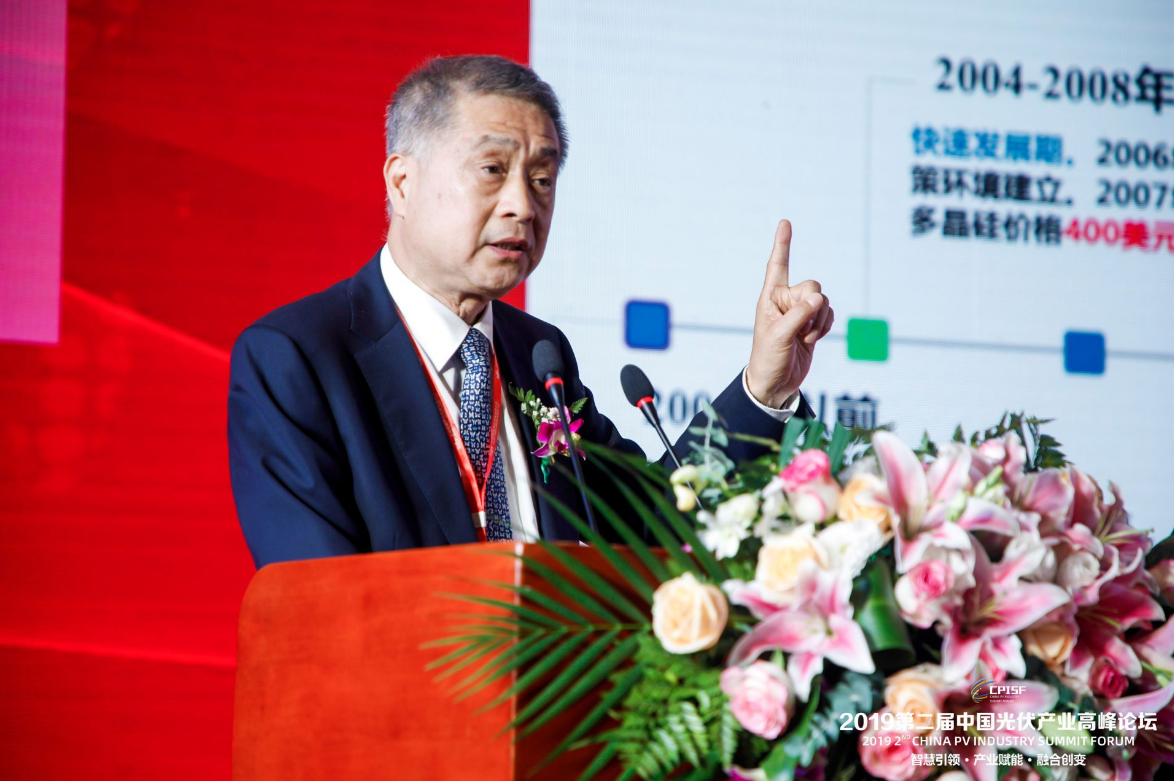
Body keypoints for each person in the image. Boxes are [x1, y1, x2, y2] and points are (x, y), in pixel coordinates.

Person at [227, 55, 834, 569]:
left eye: (542, 179)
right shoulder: (299, 358)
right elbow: (315, 600)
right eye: (493, 170)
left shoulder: (539, 356)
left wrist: (764, 387)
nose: (522, 204)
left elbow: (660, 522)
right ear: (402, 182)